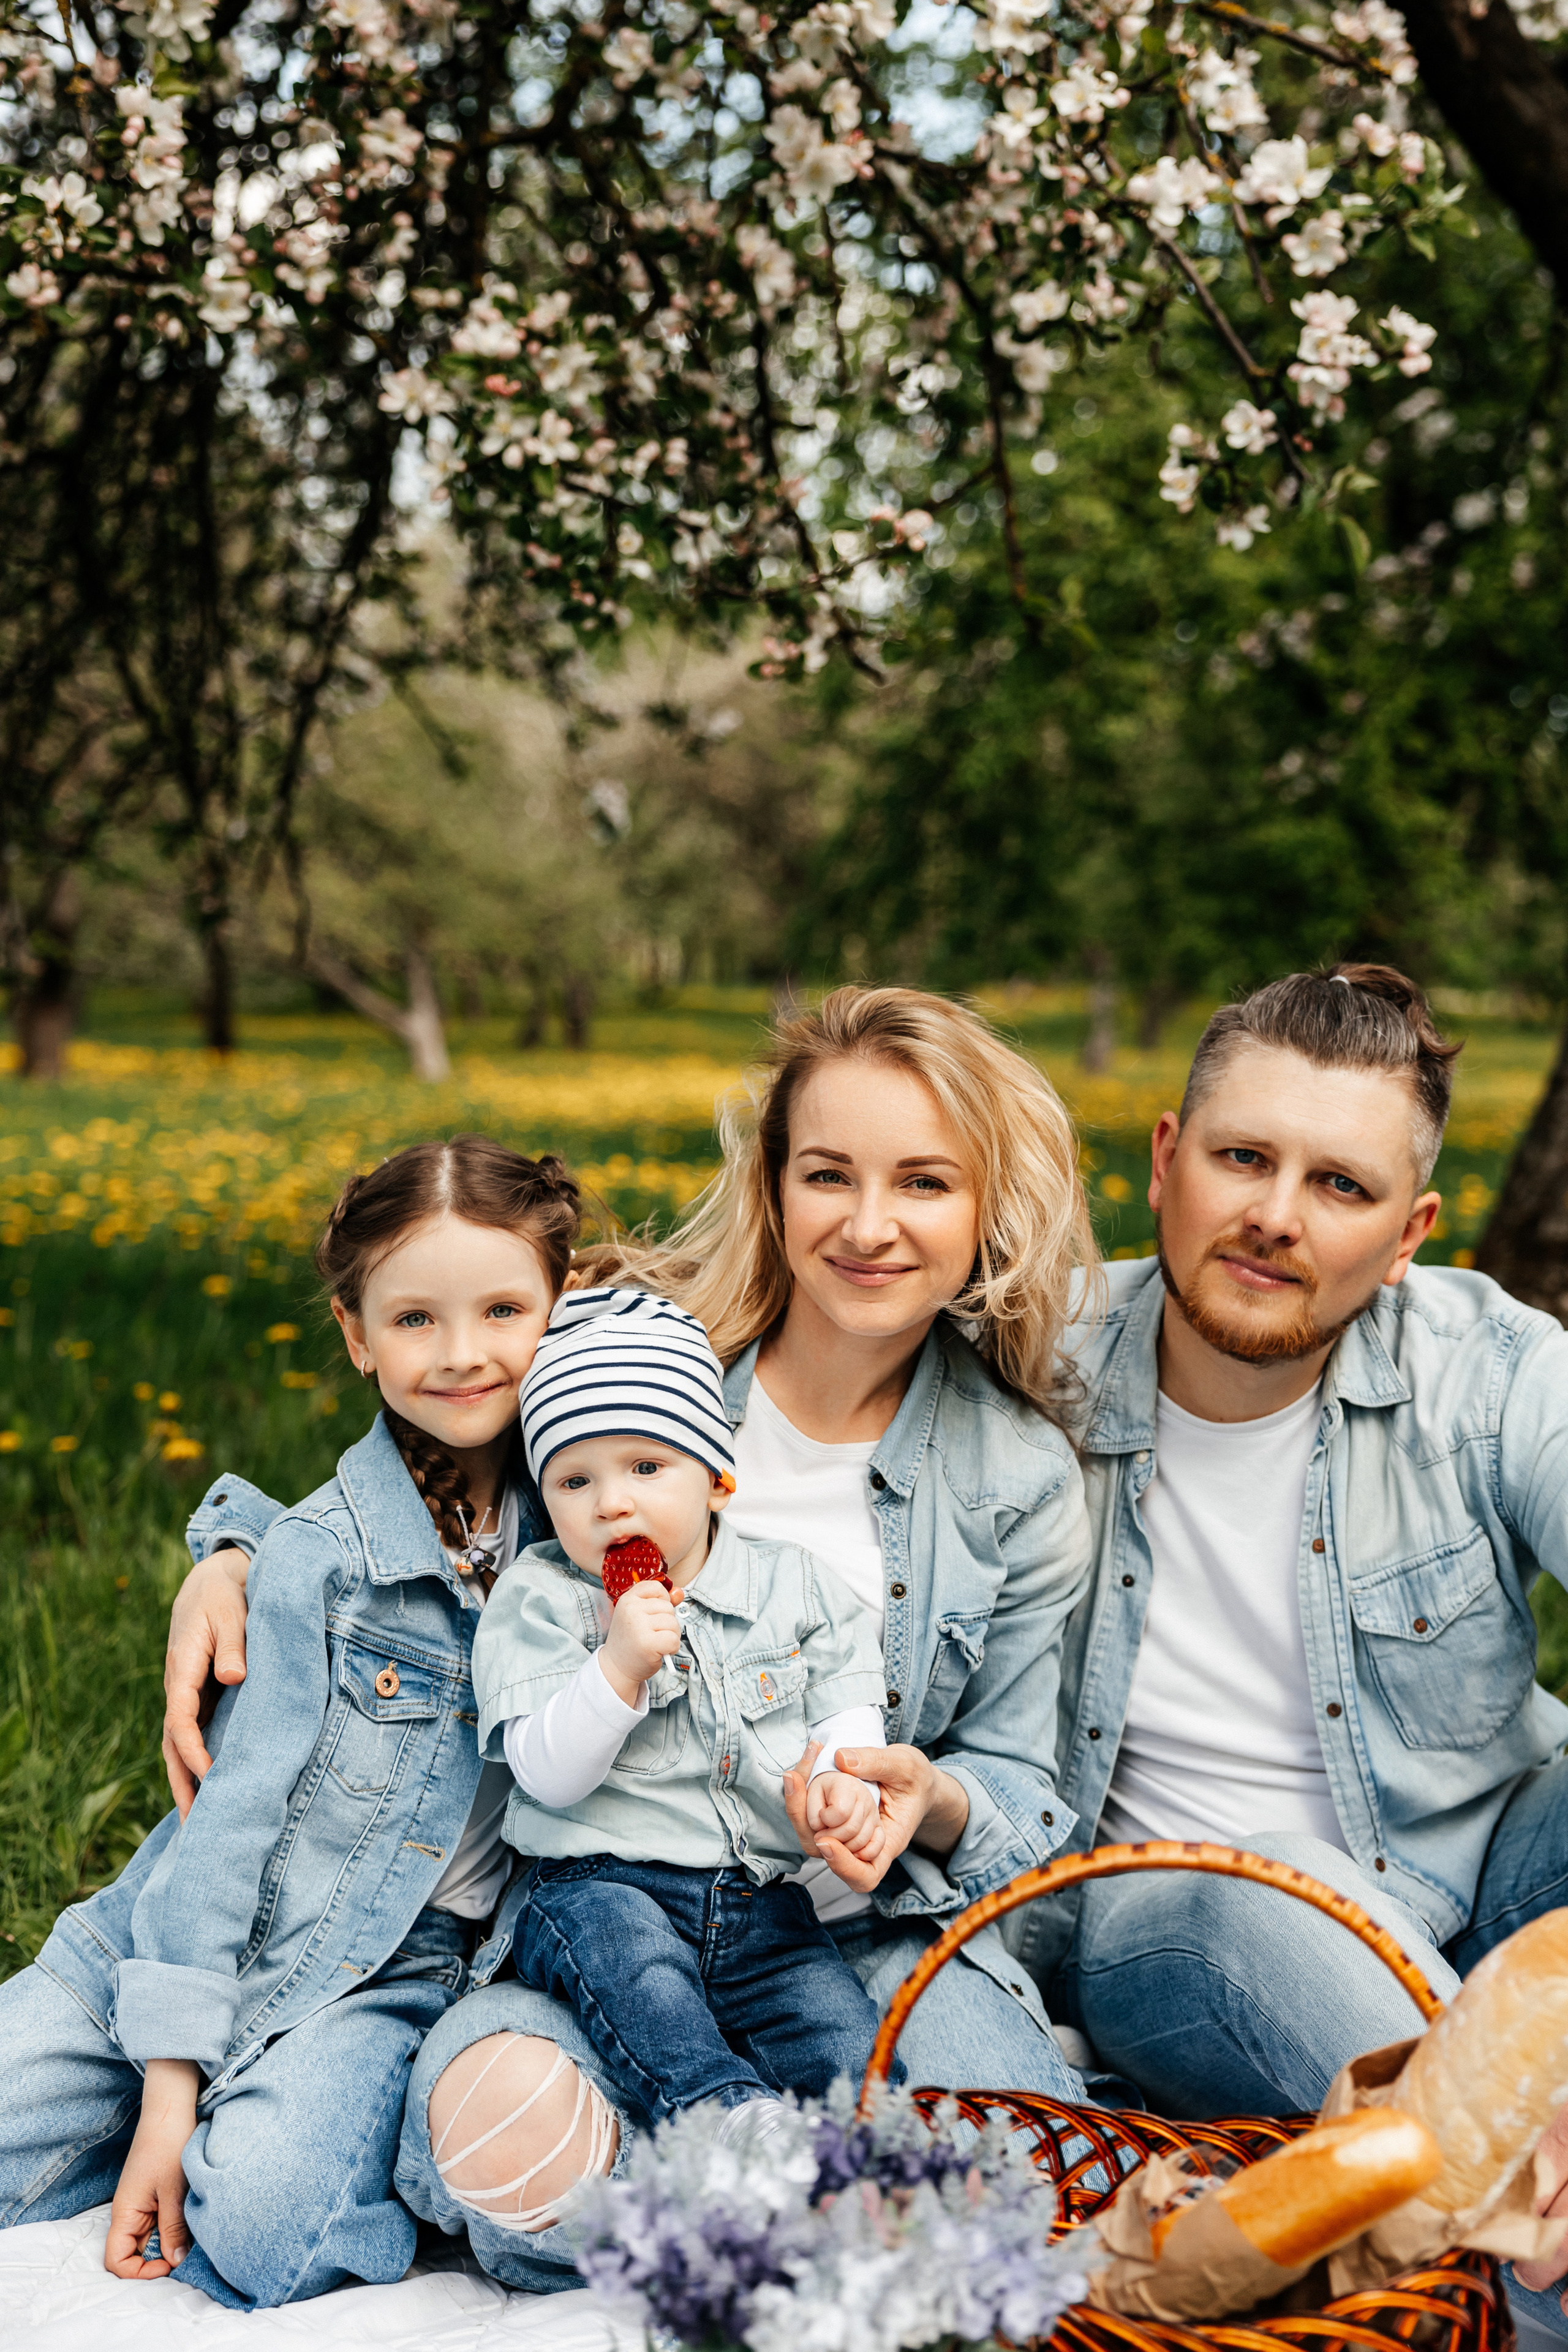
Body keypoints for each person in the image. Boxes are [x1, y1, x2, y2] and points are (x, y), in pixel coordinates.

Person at [164, 983, 1101, 2291]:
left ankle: (726, 2198)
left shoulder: (1015, 1477)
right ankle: (637, 2173)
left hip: (856, 1923)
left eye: (925, 1184)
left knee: (1001, 2168)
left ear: (983, 1206)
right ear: (773, 1185)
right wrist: (240, 1549)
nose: (870, 1225)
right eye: (827, 1174)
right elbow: (417, 1447)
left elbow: (1015, 1786)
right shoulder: (632, 1349)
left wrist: (922, 1800)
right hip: (596, 1896)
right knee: (516, 2127)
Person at [995, 963, 1568, 2330]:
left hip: (1477, 1877)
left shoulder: (1488, 1370)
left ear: (1409, 1228)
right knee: (1264, 1885)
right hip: (1181, 1916)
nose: (1271, 1216)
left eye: (1339, 1186)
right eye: (1241, 1158)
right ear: (1161, 1160)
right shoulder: (1020, 1364)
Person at [0, 1137, 578, 2306]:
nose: (464, 1355)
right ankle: (184, 2112)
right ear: (357, 1335)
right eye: (414, 1320)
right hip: (177, 1928)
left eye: (505, 1309)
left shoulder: (590, 1522)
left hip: (384, 1967)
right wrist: (170, 2087)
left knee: (269, 2234)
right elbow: (225, 1836)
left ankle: (284, 2128)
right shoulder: (316, 1558)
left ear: (562, 1312)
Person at [458, 1284, 897, 2205]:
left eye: (646, 1467)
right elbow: (545, 1772)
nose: (612, 1503)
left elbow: (847, 1710)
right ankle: (723, 2119)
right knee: (643, 1986)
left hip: (759, 1901)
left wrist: (839, 1785)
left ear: (718, 1477)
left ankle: (869, 2165)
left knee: (836, 2022)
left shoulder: (793, 1586)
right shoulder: (542, 1600)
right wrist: (615, 1670)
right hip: (594, 1885)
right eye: (575, 1481)